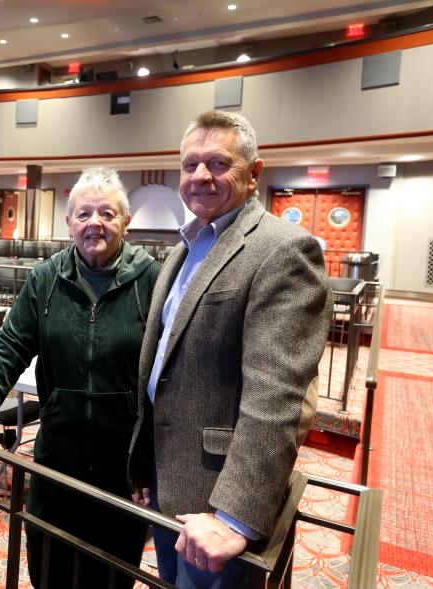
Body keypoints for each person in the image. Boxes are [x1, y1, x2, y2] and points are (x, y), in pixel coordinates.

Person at [128, 111, 330, 588]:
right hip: (169, 479)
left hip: (219, 497)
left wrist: (233, 517)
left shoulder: (284, 250)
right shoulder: (186, 245)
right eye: (190, 164)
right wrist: (146, 466)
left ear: (254, 173)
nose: (200, 176)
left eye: (218, 163)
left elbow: (277, 397)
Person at [0, 168, 161, 589]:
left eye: (106, 213)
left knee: (112, 574)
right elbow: (9, 348)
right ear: (68, 223)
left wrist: (153, 462)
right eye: (83, 214)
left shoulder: (152, 279)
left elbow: (168, 373)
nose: (94, 223)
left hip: (121, 467)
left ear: (125, 221)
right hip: (57, 460)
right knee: (50, 569)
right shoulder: (45, 280)